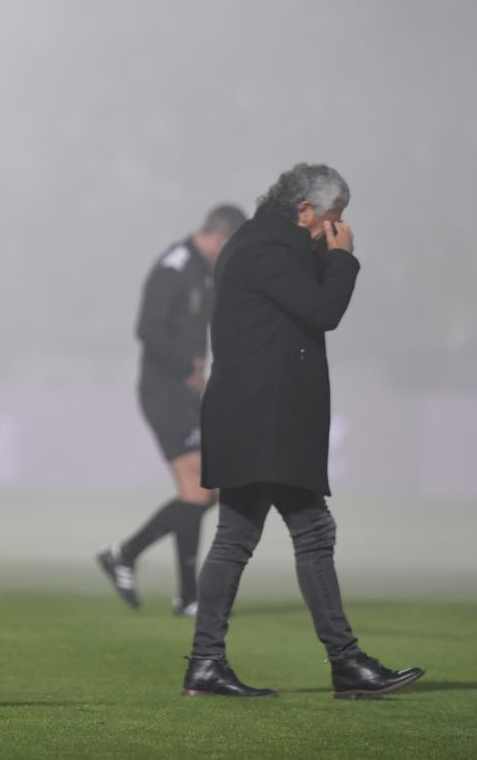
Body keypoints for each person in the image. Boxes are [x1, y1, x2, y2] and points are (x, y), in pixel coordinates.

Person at [181, 163, 424, 698]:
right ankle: (344, 664)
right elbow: (322, 310)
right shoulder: (270, 247)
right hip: (266, 418)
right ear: (306, 209)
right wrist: (342, 258)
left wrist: (323, 251)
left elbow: (297, 301)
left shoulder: (259, 240)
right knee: (304, 534)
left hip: (253, 415)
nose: (337, 228)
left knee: (240, 537)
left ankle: (207, 665)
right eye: (333, 218)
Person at [98, 205, 246, 618]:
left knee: (207, 491)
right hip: (163, 392)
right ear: (220, 237)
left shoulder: (204, 270)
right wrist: (187, 366)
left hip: (186, 395)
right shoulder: (174, 266)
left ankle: (126, 555)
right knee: (200, 489)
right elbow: (146, 329)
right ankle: (186, 596)